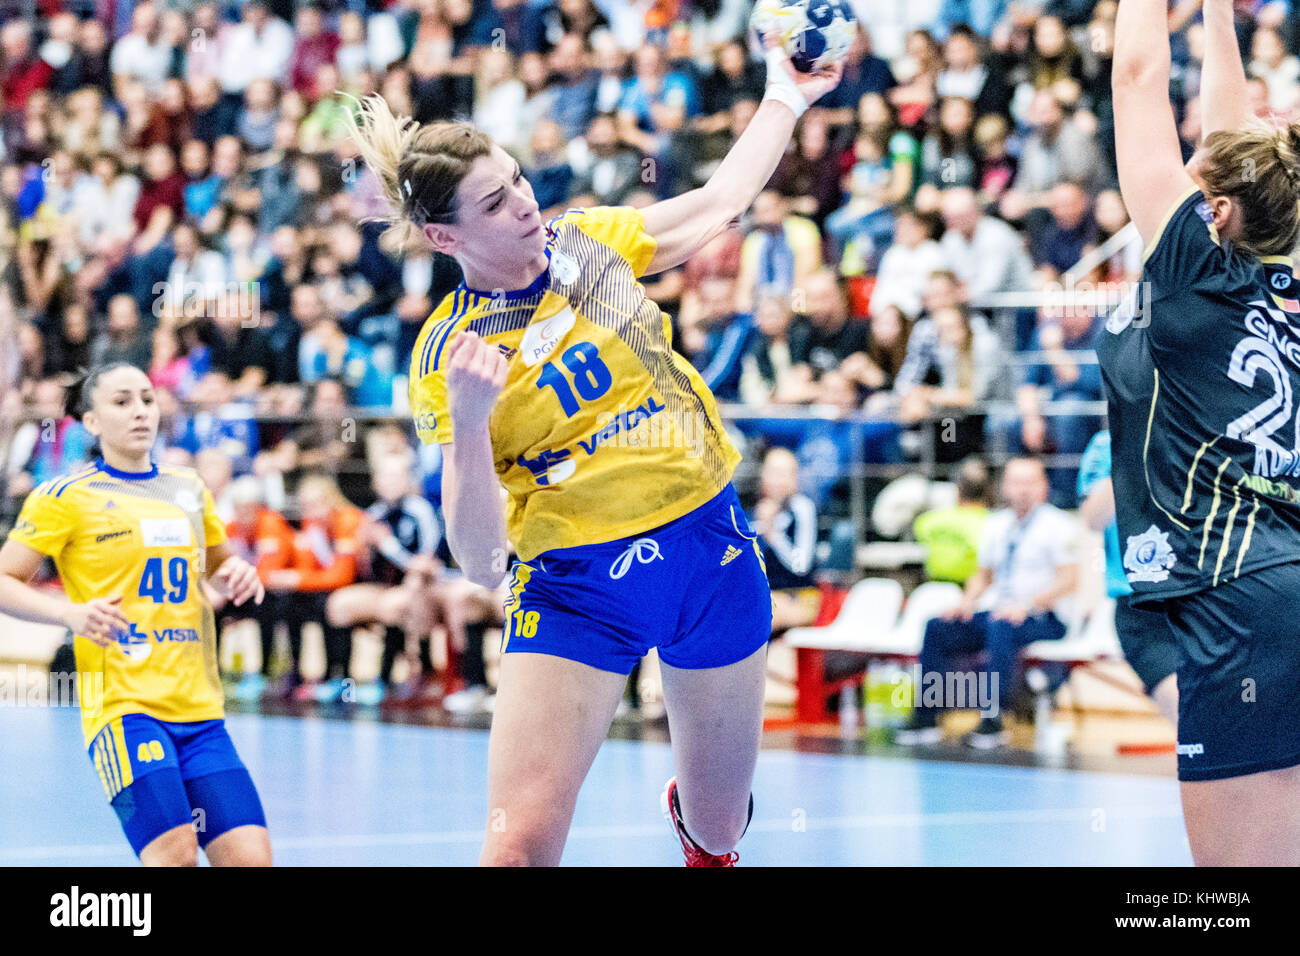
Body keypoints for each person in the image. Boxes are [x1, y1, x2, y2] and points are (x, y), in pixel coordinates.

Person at [350, 33, 842, 866]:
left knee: (722, 830)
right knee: (518, 851)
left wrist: (785, 97)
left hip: (709, 555)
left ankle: (695, 823)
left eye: (519, 182)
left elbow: (717, 202)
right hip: (578, 593)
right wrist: (470, 426)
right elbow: (476, 558)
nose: (526, 206)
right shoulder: (449, 355)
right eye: (497, 204)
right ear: (445, 239)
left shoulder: (587, 242)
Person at [1103, 0, 1300, 865]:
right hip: (1277, 581)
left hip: (1237, 596)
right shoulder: (1285, 273)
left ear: (1214, 212)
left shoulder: (1191, 271)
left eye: (1192, 176)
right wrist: (1216, 12)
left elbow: (1138, 75)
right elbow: (1237, 135)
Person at [0, 362, 270, 866]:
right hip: (126, 712)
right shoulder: (65, 497)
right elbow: (4, 580)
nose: (141, 411)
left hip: (200, 712)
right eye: (122, 402)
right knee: (175, 857)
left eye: (147, 398)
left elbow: (216, 562)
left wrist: (237, 572)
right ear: (92, 421)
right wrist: (70, 614)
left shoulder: (188, 487)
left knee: (251, 860)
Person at [895, 457, 1078, 749]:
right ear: (1004, 487)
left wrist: (1027, 605)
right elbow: (983, 576)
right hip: (1000, 611)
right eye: (1016, 482)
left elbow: (1068, 579)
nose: (1023, 490)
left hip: (1045, 617)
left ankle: (993, 720)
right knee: (939, 627)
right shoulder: (996, 524)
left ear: (1044, 487)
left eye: (1030, 482)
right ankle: (926, 716)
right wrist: (965, 603)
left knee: (1000, 626)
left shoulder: (1059, 525)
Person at [1076, 430, 1179, 726]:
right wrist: (1130, 448)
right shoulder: (1105, 445)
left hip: (1198, 597)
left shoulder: (1188, 430)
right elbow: (1094, 518)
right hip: (1139, 605)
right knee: (1179, 701)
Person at [913, 456, 991, 585]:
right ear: (989, 491)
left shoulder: (930, 520)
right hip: (974, 589)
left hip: (935, 587)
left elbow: (920, 533)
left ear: (957, 491)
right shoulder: (994, 523)